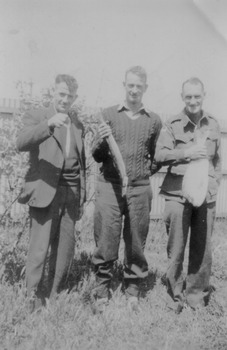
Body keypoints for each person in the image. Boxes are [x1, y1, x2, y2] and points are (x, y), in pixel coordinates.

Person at [91, 66, 162, 308]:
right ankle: (102, 290)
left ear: (145, 88)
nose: (134, 90)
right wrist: (101, 139)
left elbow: (155, 156)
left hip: (139, 188)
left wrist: (141, 175)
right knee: (106, 238)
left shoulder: (153, 120)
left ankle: (132, 288)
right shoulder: (108, 114)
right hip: (109, 186)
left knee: (136, 239)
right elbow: (96, 155)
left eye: (139, 86)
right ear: (124, 85)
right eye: (130, 85)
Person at [17, 74, 86, 311]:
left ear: (75, 97)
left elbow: (81, 163)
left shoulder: (77, 124)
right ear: (53, 92)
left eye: (70, 96)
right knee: (39, 247)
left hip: (70, 192)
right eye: (61, 94)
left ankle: (56, 293)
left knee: (64, 248)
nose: (65, 99)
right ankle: (32, 296)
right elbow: (21, 141)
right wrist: (47, 125)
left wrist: (81, 194)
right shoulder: (38, 116)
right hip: (45, 189)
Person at [155, 77, 221, 313]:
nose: (193, 101)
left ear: (204, 95)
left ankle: (196, 297)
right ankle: (176, 296)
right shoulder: (172, 123)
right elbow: (159, 155)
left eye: (197, 96)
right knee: (176, 247)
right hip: (177, 194)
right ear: (182, 97)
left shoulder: (213, 124)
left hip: (205, 193)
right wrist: (186, 152)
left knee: (202, 247)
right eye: (188, 96)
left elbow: (217, 160)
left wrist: (213, 184)